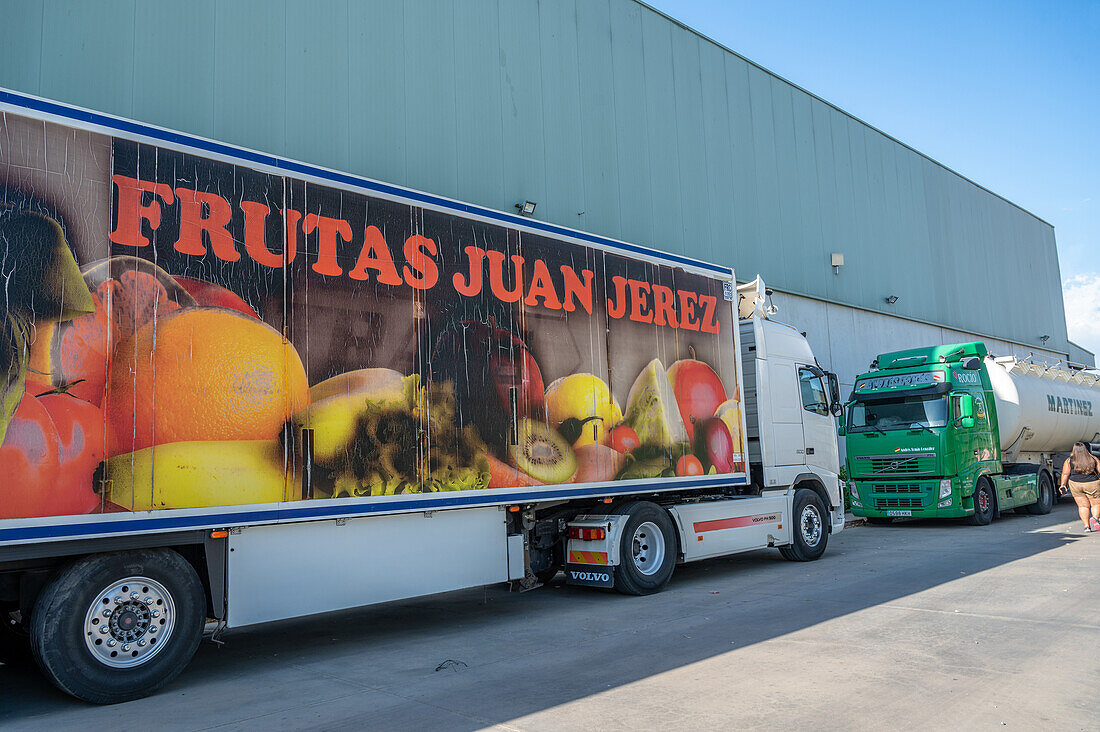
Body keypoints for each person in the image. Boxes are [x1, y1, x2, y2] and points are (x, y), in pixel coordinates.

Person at [1060, 442, 1100, 532]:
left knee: (1083, 506)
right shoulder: (1093, 459)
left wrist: (1062, 485)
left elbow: (1065, 474)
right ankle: (1095, 518)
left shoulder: (1069, 460)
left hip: (1075, 484)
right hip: (1092, 483)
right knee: (1096, 504)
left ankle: (1086, 527)